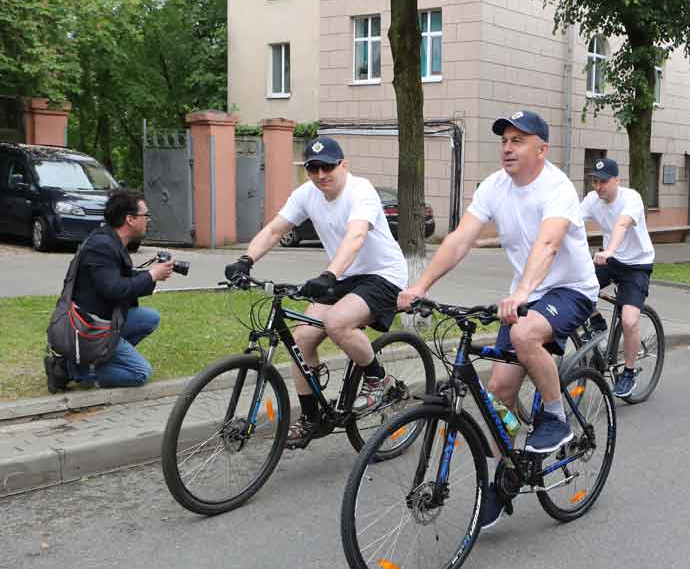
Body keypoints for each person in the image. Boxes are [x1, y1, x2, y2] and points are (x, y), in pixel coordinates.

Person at [397, 109, 599, 529]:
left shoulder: (557, 187)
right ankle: (507, 476)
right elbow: (459, 239)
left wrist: (523, 293)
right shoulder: (494, 186)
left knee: (525, 333)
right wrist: (422, 286)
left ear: (541, 150)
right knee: (497, 393)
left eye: (518, 140)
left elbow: (548, 244)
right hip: (525, 293)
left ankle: (556, 417)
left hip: (570, 290)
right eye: (504, 140)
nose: (507, 147)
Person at [226, 136, 409, 446]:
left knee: (337, 322)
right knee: (302, 339)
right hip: (343, 274)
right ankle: (313, 419)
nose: (321, 174)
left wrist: (329, 274)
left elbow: (356, 237)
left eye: (328, 167)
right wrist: (245, 260)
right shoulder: (306, 194)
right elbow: (274, 230)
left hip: (383, 275)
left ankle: (379, 380)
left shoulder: (360, 190)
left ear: (343, 165)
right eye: (313, 168)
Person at [45, 189, 175, 392]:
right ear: (130, 219)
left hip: (106, 318)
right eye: (145, 215)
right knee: (140, 373)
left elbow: (117, 278)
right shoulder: (101, 246)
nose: (148, 219)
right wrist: (151, 276)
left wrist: (151, 273)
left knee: (149, 318)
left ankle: (101, 360)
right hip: (90, 327)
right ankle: (70, 370)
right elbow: (114, 290)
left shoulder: (111, 240)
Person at [580, 157, 655, 398]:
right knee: (576, 286)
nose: (599, 186)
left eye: (603, 182)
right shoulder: (592, 200)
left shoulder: (631, 198)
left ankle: (629, 372)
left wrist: (610, 250)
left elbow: (621, 225)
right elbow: (571, 222)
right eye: (595, 181)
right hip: (609, 260)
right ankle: (596, 321)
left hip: (636, 265)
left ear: (616, 181)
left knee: (630, 320)